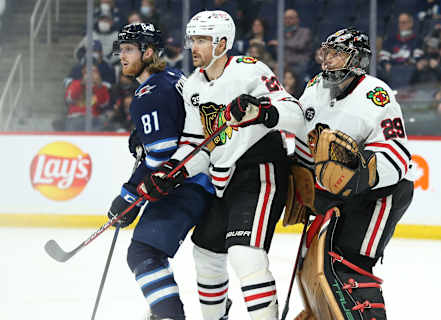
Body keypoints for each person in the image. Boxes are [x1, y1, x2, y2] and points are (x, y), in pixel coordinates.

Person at [137, 10, 304, 320]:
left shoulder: (249, 70)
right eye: (193, 40)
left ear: (223, 42)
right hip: (224, 180)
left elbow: (294, 112)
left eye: (202, 40)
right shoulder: (194, 86)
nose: (194, 47)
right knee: (206, 252)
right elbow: (195, 145)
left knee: (245, 254)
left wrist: (262, 111)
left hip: (261, 170)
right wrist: (171, 172)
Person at [291, 27, 415, 320]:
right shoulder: (314, 87)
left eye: (338, 54)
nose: (329, 60)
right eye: (328, 53)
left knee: (352, 263)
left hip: (381, 194)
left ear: (357, 59)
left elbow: (398, 154)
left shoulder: (377, 95)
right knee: (320, 262)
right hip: (338, 195)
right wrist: (301, 175)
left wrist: (363, 174)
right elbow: (303, 140)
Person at [107, 22, 215, 320]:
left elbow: (162, 157)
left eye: (129, 49)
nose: (122, 57)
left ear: (149, 51)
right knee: (152, 252)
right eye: (122, 50)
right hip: (204, 180)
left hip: (184, 185)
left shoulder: (149, 93)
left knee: (143, 253)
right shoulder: (174, 77)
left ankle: (168, 316)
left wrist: (128, 197)